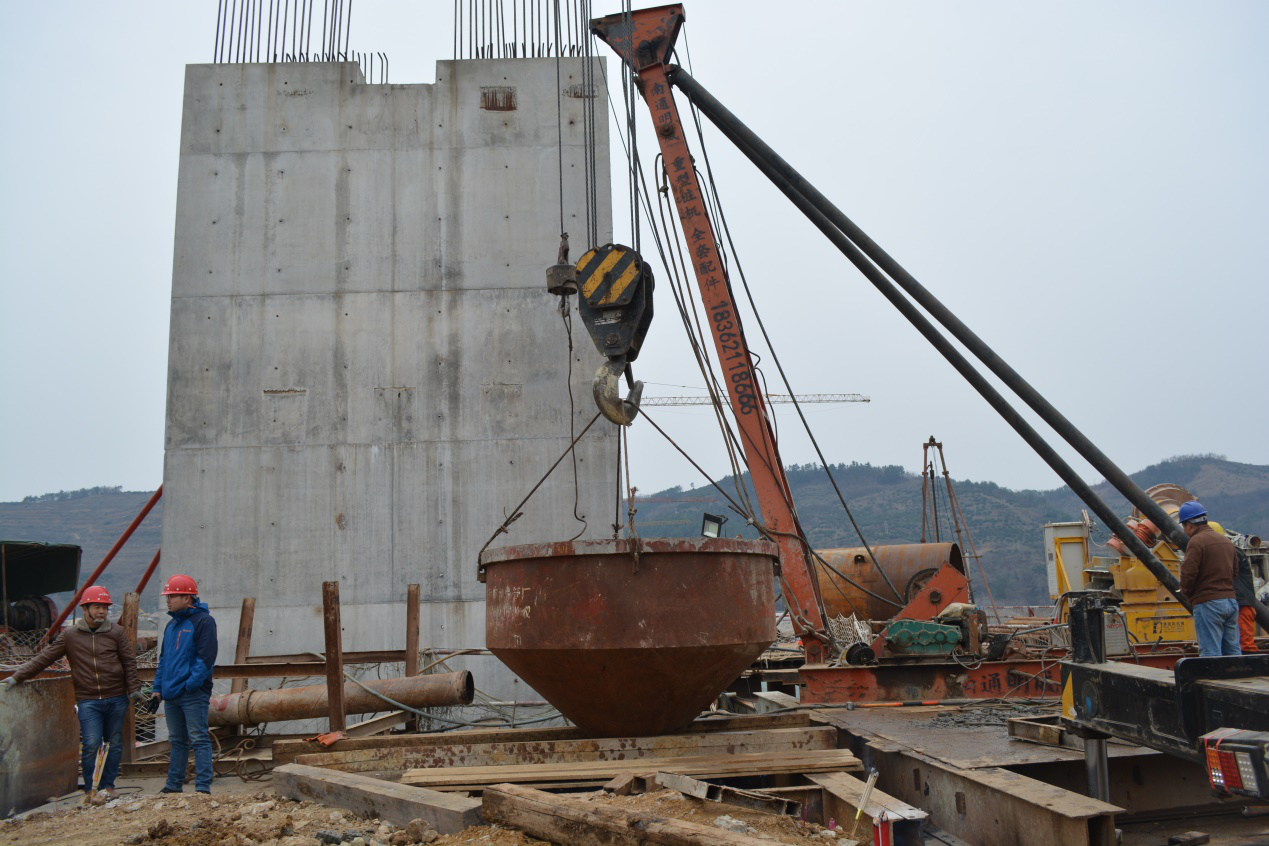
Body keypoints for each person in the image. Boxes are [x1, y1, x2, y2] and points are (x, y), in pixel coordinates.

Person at [0, 586, 144, 804]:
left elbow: (129, 662)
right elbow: (44, 658)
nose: (102, 611)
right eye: (97, 607)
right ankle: (90, 790)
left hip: (116, 698)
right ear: (85, 609)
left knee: (113, 744)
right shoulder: (70, 636)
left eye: (105, 608)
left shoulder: (116, 632)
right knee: (91, 744)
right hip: (88, 700)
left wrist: (134, 689)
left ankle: (108, 786)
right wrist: (17, 677)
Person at [150, 574, 217, 794]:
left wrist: (190, 685)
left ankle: (203, 787)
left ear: (187, 598)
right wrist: (157, 690)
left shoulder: (203, 622)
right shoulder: (171, 626)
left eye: (172, 596)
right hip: (172, 694)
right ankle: (173, 785)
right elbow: (164, 661)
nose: (168, 600)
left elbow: (206, 659)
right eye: (167, 596)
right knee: (177, 740)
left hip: (192, 694)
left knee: (199, 738)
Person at [1178, 500, 1240, 657]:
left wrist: (1187, 593)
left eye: (1184, 526)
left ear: (1189, 525)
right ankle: (1237, 673)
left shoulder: (1196, 541)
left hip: (1208, 603)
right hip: (1230, 602)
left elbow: (1188, 573)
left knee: (1210, 653)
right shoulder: (1226, 541)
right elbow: (1235, 571)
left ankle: (1213, 675)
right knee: (1233, 651)